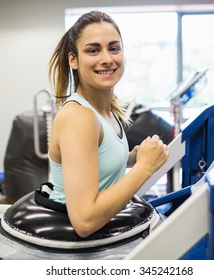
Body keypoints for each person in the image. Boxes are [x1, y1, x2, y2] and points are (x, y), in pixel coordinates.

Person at [47, 10, 169, 238]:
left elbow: (97, 163)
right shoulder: (79, 117)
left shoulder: (107, 110)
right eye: (93, 50)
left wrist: (132, 157)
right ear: (73, 59)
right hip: (77, 246)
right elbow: (85, 220)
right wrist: (145, 167)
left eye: (114, 48)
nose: (107, 58)